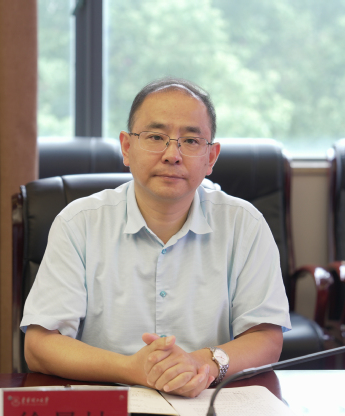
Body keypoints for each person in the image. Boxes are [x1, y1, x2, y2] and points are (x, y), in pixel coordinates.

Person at [21, 77, 291, 398]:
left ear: (211, 157)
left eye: (191, 141)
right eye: (155, 137)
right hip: (107, 405)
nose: (172, 155)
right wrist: (132, 369)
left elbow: (266, 338)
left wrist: (199, 364)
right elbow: (39, 346)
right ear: (126, 147)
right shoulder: (79, 222)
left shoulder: (244, 224)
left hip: (207, 403)